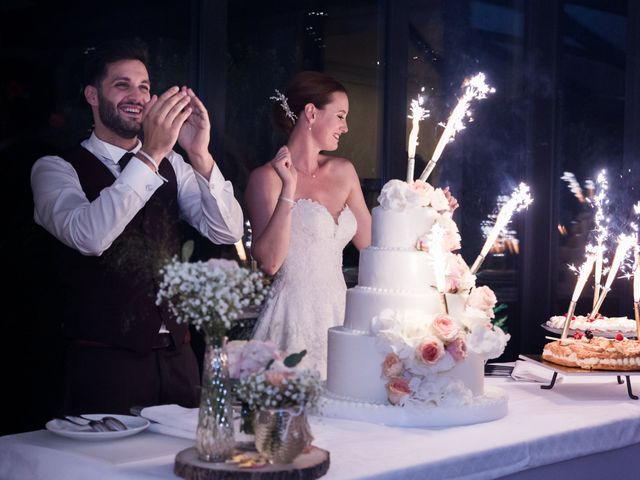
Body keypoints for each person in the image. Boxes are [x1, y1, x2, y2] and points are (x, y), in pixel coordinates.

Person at [30, 39, 244, 415]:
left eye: (144, 86)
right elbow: (90, 237)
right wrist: (150, 154)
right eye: (122, 84)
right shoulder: (55, 169)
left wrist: (199, 154)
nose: (138, 96)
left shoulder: (174, 163)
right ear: (92, 96)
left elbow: (226, 231)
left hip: (179, 361)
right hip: (105, 366)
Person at [245, 71, 372, 378]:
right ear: (312, 113)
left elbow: (372, 244)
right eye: (340, 116)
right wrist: (289, 188)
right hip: (291, 318)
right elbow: (271, 263)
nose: (346, 127)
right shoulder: (266, 179)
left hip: (341, 315)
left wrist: (424, 213)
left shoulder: (343, 171)